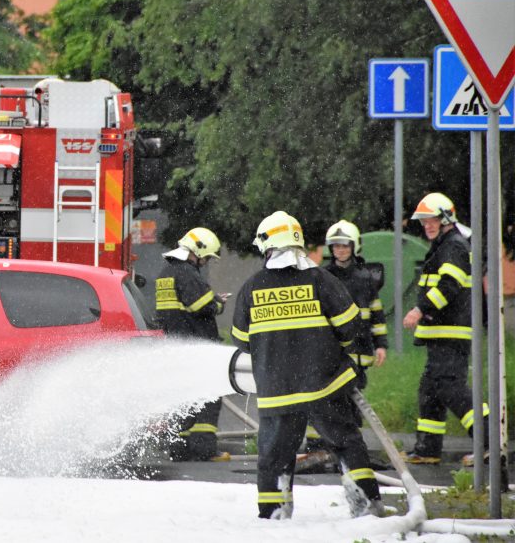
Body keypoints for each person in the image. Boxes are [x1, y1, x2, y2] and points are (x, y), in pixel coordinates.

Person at [233, 211, 382, 520]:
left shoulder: (251, 287)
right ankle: (367, 507)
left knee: (274, 456)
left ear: (269, 246)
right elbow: (351, 326)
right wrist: (332, 353)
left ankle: (274, 515)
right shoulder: (321, 280)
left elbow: (242, 341)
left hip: (277, 393)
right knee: (346, 442)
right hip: (324, 386)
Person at [402, 192, 488, 466]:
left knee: (451, 388)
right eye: (424, 221)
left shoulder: (452, 246)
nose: (427, 225)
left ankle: (489, 441)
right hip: (441, 333)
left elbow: (449, 286)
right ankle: (427, 448)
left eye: (433, 220)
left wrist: (420, 309)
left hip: (451, 332)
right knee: (430, 389)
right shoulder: (443, 245)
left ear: (447, 219)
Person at [298, 220, 389, 471]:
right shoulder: (322, 277)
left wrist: (381, 344)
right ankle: (319, 450)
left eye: (344, 245)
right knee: (323, 400)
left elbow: (377, 316)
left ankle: (349, 453)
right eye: (336, 246)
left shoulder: (366, 279)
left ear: (354, 246)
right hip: (331, 354)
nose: (340, 250)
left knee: (351, 405)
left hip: (359, 355)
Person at [154, 227, 230, 462]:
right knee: (209, 397)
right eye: (207, 257)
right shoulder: (186, 273)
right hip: (196, 346)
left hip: (177, 347)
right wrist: (219, 303)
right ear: (198, 251)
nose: (206, 262)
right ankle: (205, 450)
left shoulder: (166, 272)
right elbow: (203, 306)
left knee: (184, 399)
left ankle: (180, 449)